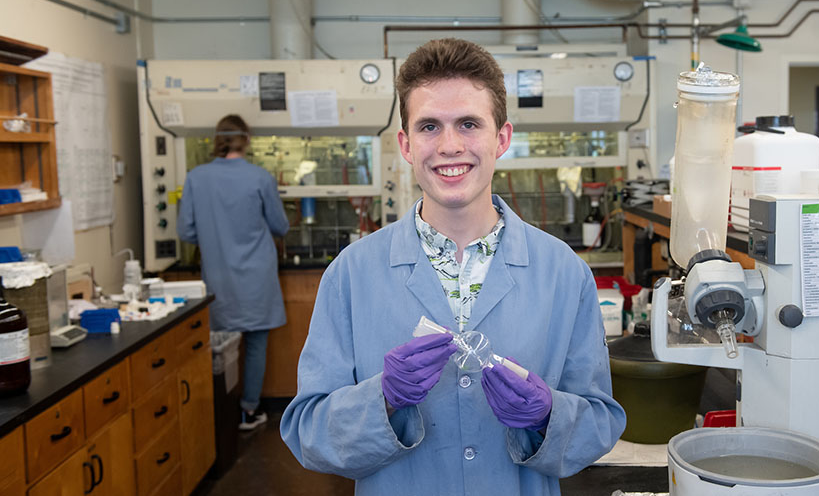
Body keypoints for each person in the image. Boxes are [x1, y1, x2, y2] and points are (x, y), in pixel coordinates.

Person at [280, 38, 625, 495]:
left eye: (468, 124)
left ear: (502, 138)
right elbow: (309, 433)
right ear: (405, 144)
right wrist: (381, 400)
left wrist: (548, 417)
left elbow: (598, 424)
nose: (449, 146)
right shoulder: (351, 275)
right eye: (428, 126)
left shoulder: (563, 273)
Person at [178, 114, 289, 431]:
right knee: (255, 345)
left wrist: (216, 235)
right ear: (247, 140)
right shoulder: (260, 178)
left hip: (218, 277)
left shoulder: (196, 178)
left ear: (217, 139)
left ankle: (218, 413)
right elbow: (280, 226)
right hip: (256, 278)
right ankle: (249, 411)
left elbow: (185, 231)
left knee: (217, 347)